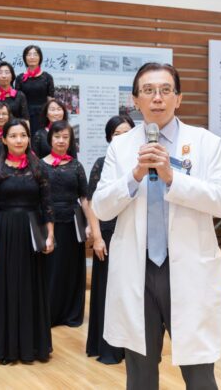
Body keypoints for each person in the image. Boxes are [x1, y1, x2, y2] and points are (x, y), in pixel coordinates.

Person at [92, 63, 221, 390]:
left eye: (165, 90)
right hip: (137, 269)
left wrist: (174, 179)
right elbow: (101, 207)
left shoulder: (205, 142)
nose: (157, 98)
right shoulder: (120, 147)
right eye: (148, 91)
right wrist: (134, 176)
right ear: (135, 100)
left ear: (178, 98)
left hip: (188, 267)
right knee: (140, 374)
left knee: (199, 374)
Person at [0, 118, 54, 363]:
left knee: (32, 285)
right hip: (5, 231)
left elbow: (47, 205)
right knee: (8, 285)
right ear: (4, 140)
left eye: (23, 135)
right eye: (13, 136)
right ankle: (8, 347)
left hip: (33, 231)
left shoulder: (38, 168)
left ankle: (33, 345)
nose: (18, 140)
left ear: (28, 139)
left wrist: (50, 235)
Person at [85, 114, 134, 365]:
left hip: (134, 233)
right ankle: (108, 347)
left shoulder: (142, 163)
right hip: (108, 233)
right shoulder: (102, 163)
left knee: (132, 291)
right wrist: (96, 237)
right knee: (107, 289)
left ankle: (132, 347)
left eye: (127, 133)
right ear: (109, 138)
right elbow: (93, 202)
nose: (122, 138)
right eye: (117, 134)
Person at [41, 120, 89, 327]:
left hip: (73, 224)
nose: (61, 141)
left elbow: (84, 197)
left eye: (65, 137)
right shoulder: (40, 165)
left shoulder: (76, 166)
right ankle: (48, 313)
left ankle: (71, 313)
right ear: (50, 138)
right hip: (48, 223)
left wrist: (89, 224)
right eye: (57, 136)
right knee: (50, 269)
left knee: (71, 269)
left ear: (70, 141)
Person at [15, 45, 54, 133]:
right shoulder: (20, 78)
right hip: (25, 115)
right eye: (29, 54)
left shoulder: (47, 77)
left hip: (43, 116)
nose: (32, 57)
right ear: (25, 58)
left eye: (35, 54)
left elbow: (51, 101)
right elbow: (17, 101)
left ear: (40, 58)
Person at [0, 61, 28, 130]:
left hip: (14, 133)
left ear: (12, 76)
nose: (3, 76)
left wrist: (27, 136)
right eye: (0, 73)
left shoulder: (20, 95)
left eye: (7, 72)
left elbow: (25, 119)